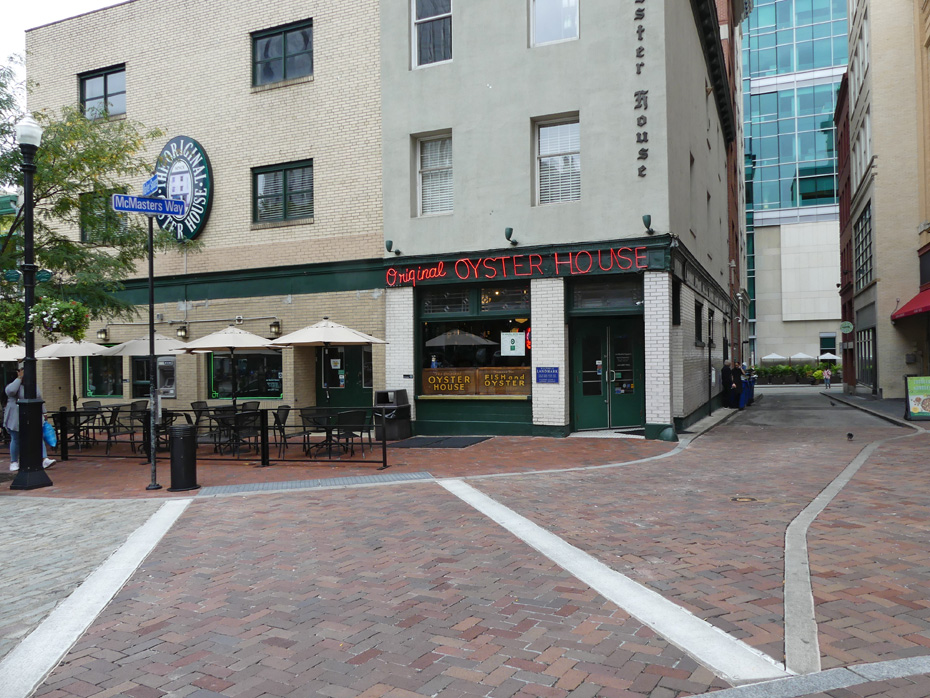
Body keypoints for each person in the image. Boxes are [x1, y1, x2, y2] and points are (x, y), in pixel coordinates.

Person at [4, 365, 55, 472]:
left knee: (37, 436)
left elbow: (38, 398)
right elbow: (11, 391)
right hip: (15, 416)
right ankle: (14, 461)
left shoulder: (32, 385)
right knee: (16, 438)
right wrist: (19, 378)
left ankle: (44, 459)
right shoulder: (13, 385)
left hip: (31, 414)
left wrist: (44, 412)